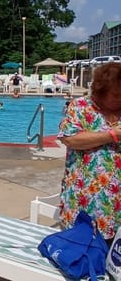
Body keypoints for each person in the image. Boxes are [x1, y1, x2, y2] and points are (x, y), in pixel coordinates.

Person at [57, 63, 121, 246]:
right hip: (86, 195)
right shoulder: (81, 106)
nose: (120, 99)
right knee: (83, 248)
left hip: (117, 201)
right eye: (116, 95)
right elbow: (70, 139)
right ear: (100, 90)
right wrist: (112, 135)